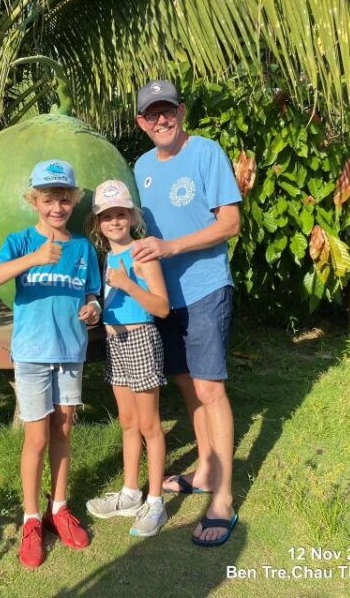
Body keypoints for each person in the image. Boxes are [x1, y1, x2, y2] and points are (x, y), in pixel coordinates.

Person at [131, 80, 242, 547]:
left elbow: (231, 222)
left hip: (204, 288)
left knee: (210, 388)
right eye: (152, 114)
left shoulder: (206, 152)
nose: (161, 120)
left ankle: (224, 498)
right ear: (141, 122)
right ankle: (206, 469)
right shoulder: (140, 168)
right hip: (164, 296)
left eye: (168, 110)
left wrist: (172, 246)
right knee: (186, 385)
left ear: (181, 111)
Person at [0, 159, 102, 569]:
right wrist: (33, 258)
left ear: (73, 201)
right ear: (34, 201)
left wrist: (93, 309)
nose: (57, 208)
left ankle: (59, 508)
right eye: (48, 200)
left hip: (70, 352)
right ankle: (31, 518)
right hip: (32, 353)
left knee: (63, 431)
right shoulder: (19, 241)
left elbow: (91, 294)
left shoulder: (83, 248)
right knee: (36, 439)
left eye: (64, 200)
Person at [84, 180, 170, 537]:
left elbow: (161, 308)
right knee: (128, 422)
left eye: (120, 214)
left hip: (140, 340)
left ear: (132, 217)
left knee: (150, 425)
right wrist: (95, 310)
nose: (114, 221)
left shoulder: (141, 253)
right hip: (114, 342)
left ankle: (156, 502)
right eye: (107, 216)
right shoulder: (108, 258)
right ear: (98, 223)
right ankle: (130, 493)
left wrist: (128, 284)